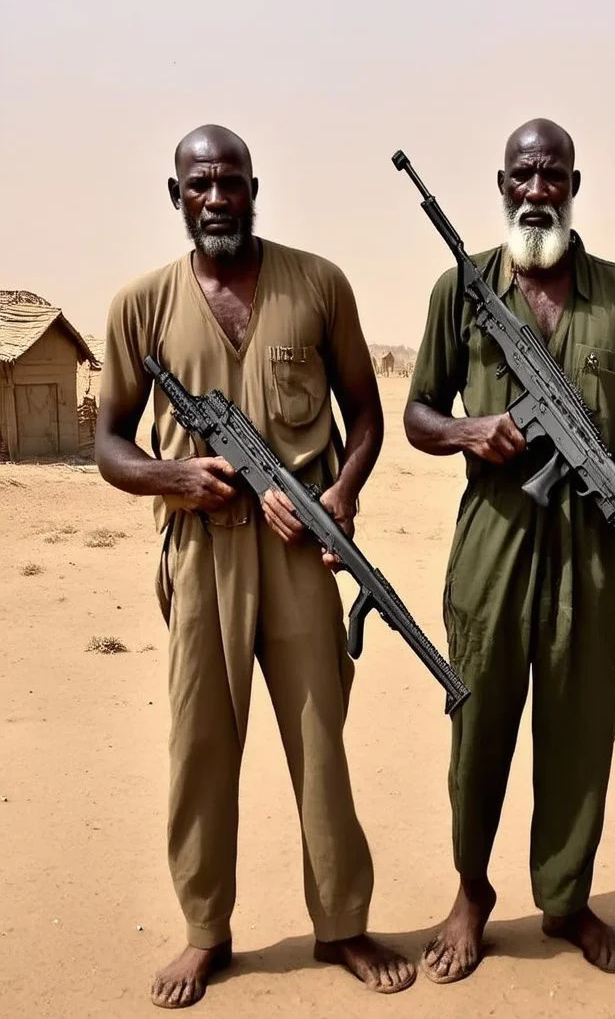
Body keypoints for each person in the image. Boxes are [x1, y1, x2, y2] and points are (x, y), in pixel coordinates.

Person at [95, 124, 416, 1008]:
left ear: (253, 187)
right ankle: (206, 932)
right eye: (198, 185)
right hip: (199, 555)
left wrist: (341, 496)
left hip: (300, 551)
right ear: (176, 196)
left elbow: (368, 420)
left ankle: (342, 925)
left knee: (321, 744)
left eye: (229, 182)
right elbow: (108, 443)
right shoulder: (140, 306)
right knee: (200, 746)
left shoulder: (319, 284)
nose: (215, 199)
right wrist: (176, 477)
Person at [404, 118, 615, 983]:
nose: (538, 190)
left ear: (574, 186)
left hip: (592, 547)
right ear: (502, 183)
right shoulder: (462, 288)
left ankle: (565, 901)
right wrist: (469, 430)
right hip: (493, 541)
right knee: (477, 719)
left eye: (553, 175)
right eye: (524, 175)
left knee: (582, 725)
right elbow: (417, 415)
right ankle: (471, 892)